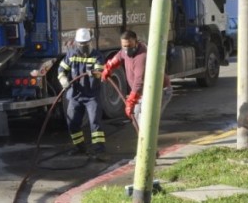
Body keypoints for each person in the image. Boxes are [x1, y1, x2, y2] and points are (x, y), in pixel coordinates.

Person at [101, 30, 172, 126]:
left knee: (147, 123)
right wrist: (109, 67)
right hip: (143, 93)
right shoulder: (125, 51)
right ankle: (143, 139)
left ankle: (148, 139)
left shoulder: (141, 57)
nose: (126, 49)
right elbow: (119, 56)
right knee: (136, 119)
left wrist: (130, 101)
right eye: (124, 46)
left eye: (129, 46)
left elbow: (139, 82)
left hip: (158, 91)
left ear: (136, 42)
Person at [57, 28, 106, 156]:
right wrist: (62, 78)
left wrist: (94, 73)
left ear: (91, 42)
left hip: (91, 96)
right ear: (76, 43)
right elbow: (61, 69)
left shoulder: (97, 56)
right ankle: (80, 147)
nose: (83, 46)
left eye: (86, 44)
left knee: (95, 124)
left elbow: (100, 72)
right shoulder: (71, 55)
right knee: (72, 123)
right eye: (81, 44)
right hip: (75, 95)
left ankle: (99, 151)